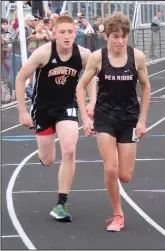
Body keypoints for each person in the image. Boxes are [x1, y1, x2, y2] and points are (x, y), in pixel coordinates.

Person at [16, 15, 96, 222]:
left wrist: (92, 100)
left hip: (67, 106)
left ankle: (61, 203)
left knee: (69, 150)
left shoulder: (84, 55)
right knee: (49, 159)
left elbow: (90, 77)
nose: (67, 36)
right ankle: (43, 155)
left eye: (71, 32)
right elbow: (20, 77)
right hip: (42, 109)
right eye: (62, 32)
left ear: (75, 33)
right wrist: (23, 111)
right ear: (55, 33)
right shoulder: (43, 53)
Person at [76, 12, 151, 232]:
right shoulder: (98, 58)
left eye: (123, 36)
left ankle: (117, 173)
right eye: (115, 36)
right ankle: (118, 214)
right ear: (106, 36)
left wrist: (143, 120)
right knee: (110, 169)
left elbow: (146, 87)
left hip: (129, 118)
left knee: (124, 176)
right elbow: (81, 86)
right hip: (105, 117)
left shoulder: (136, 57)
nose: (119, 41)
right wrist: (84, 115)